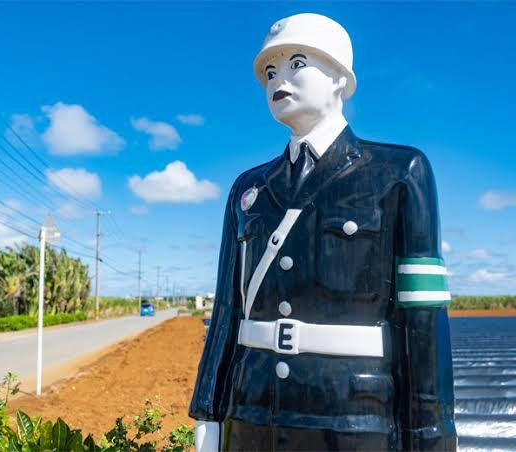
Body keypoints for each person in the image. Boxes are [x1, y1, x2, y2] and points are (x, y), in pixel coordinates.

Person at [189, 13, 457, 451]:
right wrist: (209, 413)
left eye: (296, 63)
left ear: (339, 78)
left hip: (354, 422)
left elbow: (422, 319)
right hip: (251, 416)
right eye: (270, 71)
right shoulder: (249, 189)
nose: (278, 79)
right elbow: (225, 312)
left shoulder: (398, 172)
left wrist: (431, 435)